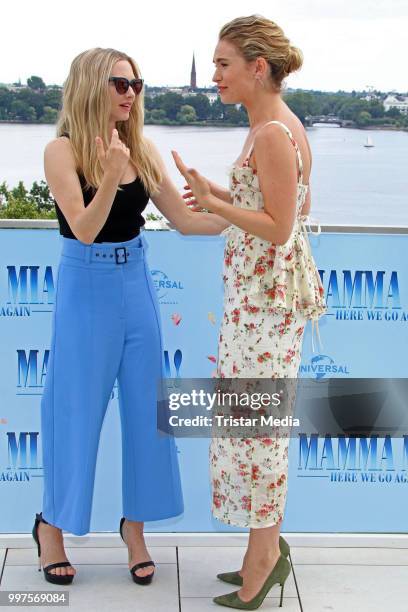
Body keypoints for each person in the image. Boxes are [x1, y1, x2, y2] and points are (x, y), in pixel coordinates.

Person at [33, 47, 230, 587]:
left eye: (136, 84)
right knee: (74, 412)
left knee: (148, 415)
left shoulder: (140, 149)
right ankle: (51, 528)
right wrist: (110, 175)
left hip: (136, 284)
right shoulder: (61, 150)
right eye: (120, 83)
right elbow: (85, 228)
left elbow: (189, 222)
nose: (130, 93)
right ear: (92, 85)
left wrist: (256, 219)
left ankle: (134, 530)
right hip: (86, 285)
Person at [171, 14, 327, 610]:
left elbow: (279, 227)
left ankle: (265, 558)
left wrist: (215, 199)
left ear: (257, 67)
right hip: (257, 303)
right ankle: (260, 551)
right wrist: (213, 196)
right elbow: (259, 207)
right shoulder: (272, 125)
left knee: (260, 432)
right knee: (252, 426)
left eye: (223, 64)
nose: (214, 76)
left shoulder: (270, 132)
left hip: (265, 308)